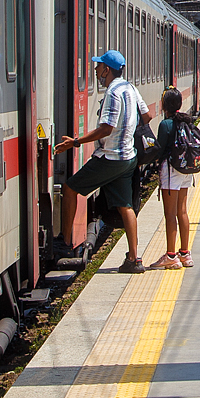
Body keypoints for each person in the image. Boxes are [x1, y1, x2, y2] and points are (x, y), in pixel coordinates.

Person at [53, 50, 146, 274]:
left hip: (110, 157)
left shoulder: (113, 92)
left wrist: (76, 142)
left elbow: (106, 128)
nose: (95, 70)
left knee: (70, 189)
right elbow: (146, 115)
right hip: (128, 157)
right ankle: (134, 259)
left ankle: (65, 244)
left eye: (99, 66)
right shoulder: (130, 88)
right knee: (126, 206)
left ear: (107, 69)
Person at [147, 87, 200, 270]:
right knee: (182, 212)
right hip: (186, 170)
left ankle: (171, 256)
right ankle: (185, 254)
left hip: (171, 170)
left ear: (165, 105)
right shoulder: (187, 120)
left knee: (170, 214)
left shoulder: (166, 124)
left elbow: (160, 150)